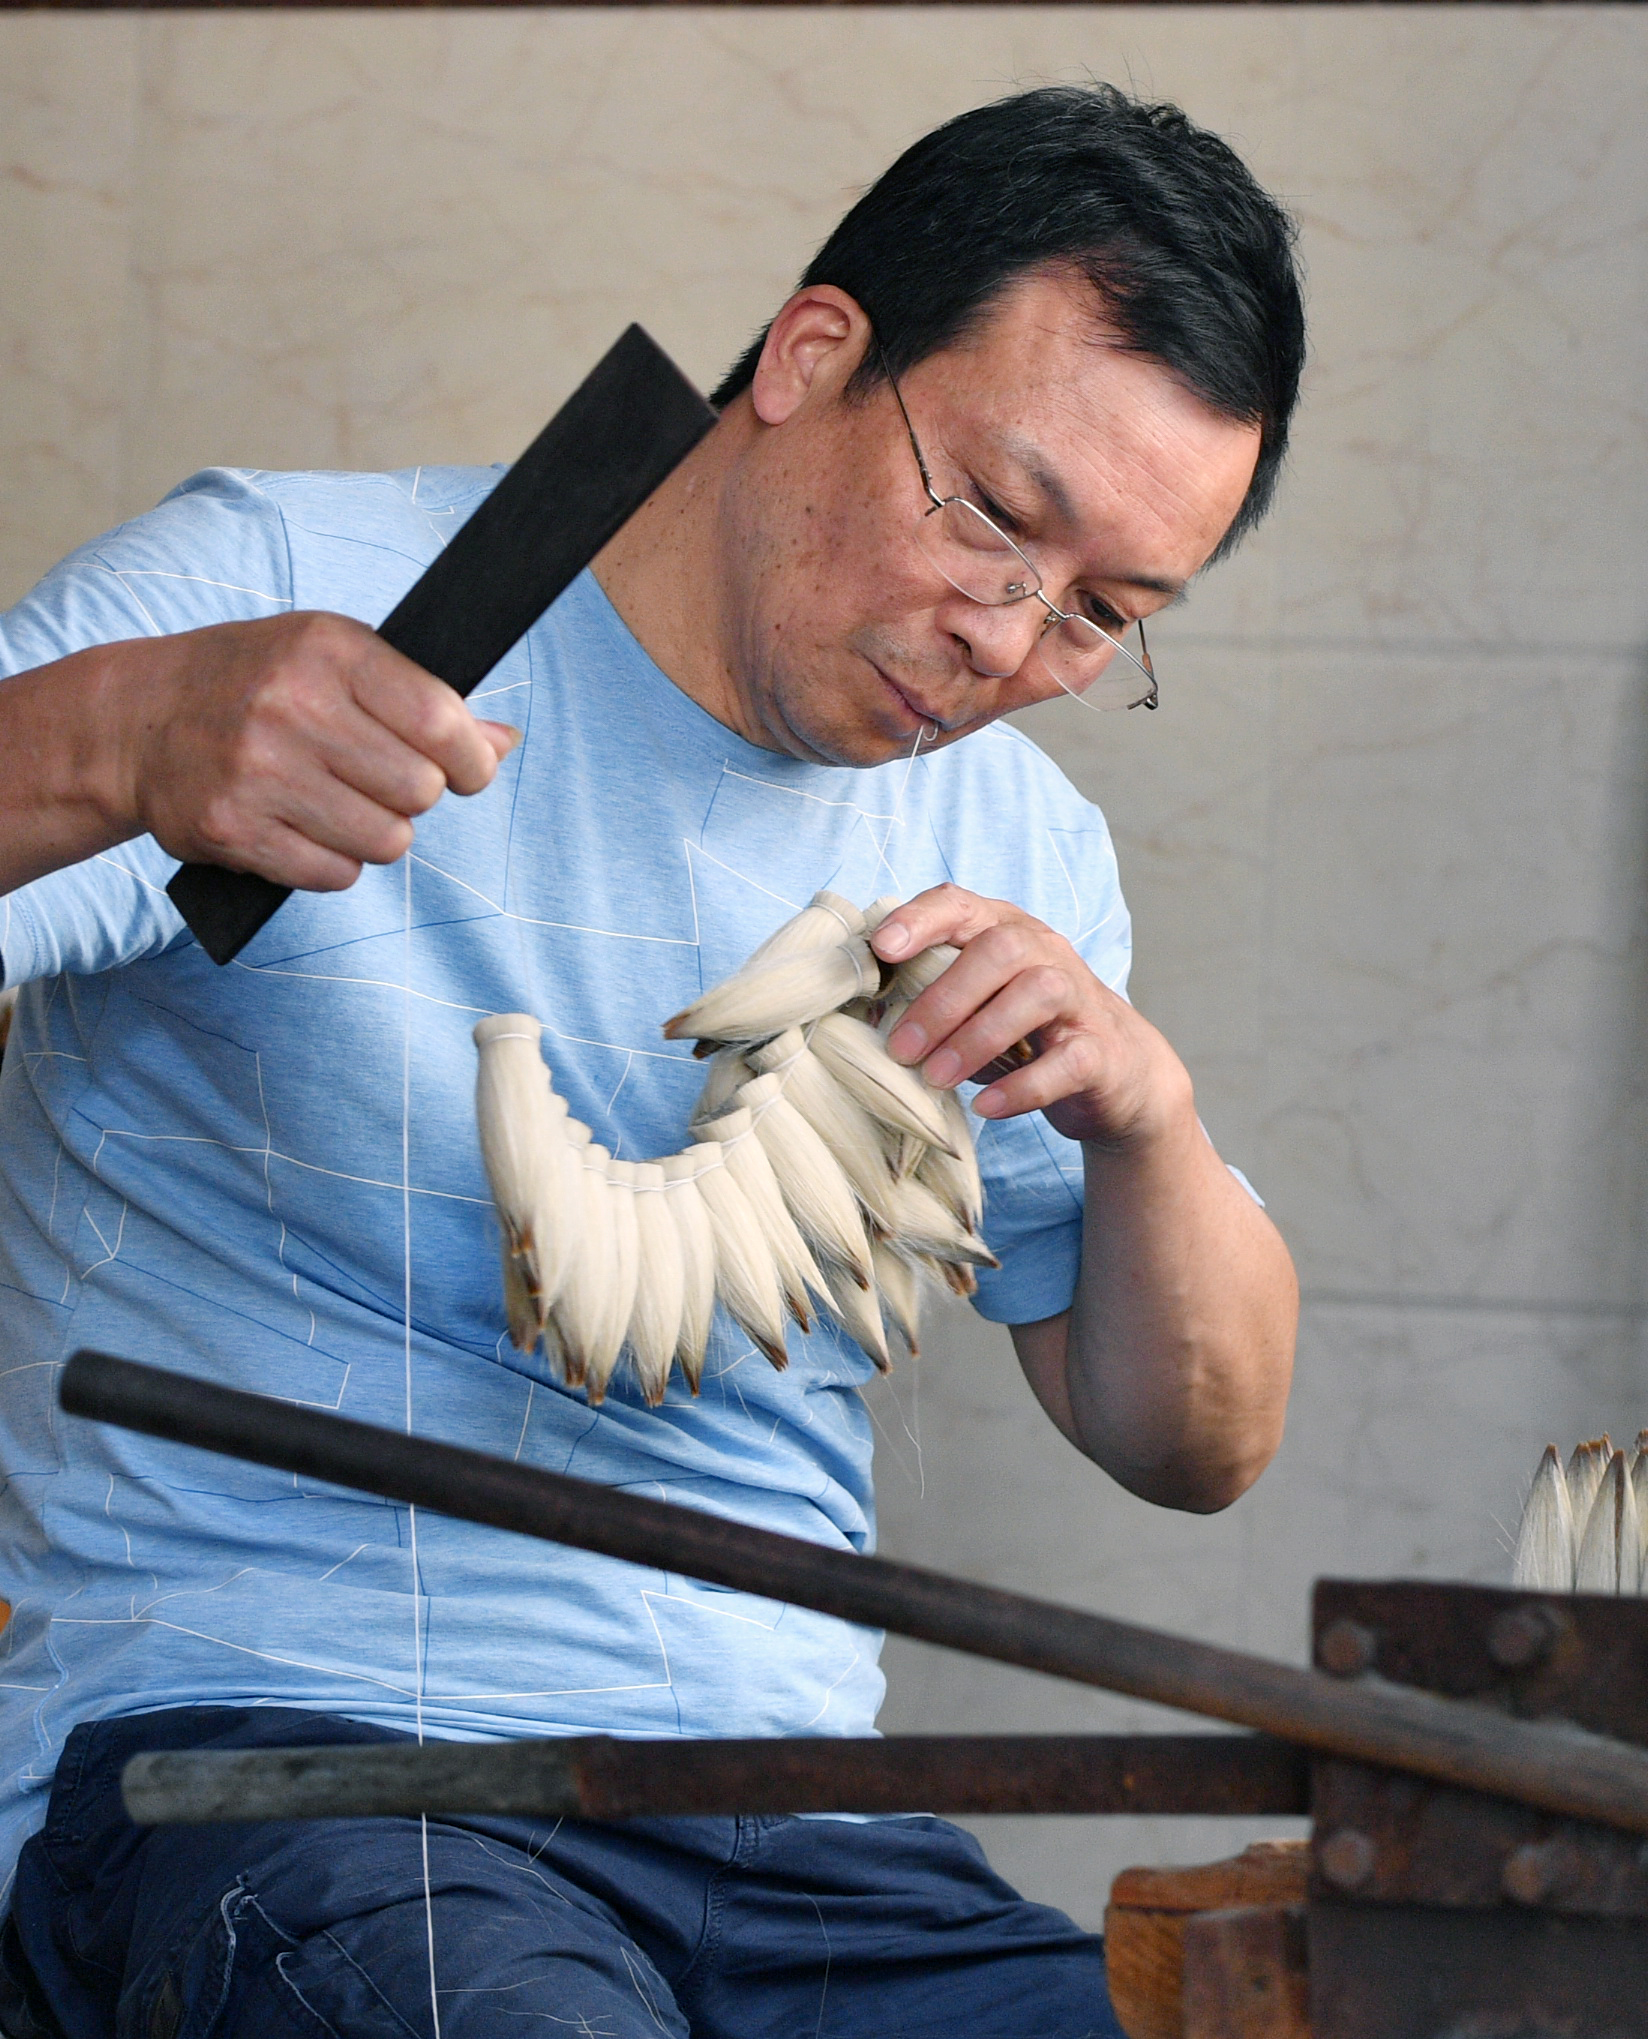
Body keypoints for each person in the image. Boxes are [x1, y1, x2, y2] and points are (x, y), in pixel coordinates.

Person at [0, 83, 1303, 2039]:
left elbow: (1196, 1447)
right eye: (993, 522)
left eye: (1100, 614)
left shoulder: (1011, 843)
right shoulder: (293, 589)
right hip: (279, 1760)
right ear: (813, 354)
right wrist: (113, 743)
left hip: (790, 1825)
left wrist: (1148, 1128)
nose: (1005, 639)